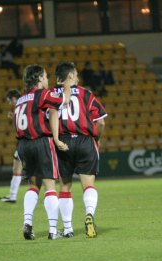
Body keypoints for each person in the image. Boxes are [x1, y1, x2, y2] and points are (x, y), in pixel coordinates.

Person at [15, 64, 70, 240]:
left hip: (23, 144)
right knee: (50, 186)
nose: (47, 80)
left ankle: (27, 222)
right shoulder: (42, 94)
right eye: (45, 76)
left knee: (33, 185)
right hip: (40, 142)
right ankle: (53, 230)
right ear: (39, 78)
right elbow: (64, 102)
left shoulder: (20, 99)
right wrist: (66, 85)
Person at [53, 61, 107, 238]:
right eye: (75, 74)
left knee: (65, 186)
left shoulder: (51, 95)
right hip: (85, 141)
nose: (77, 77)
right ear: (70, 76)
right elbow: (101, 122)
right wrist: (96, 139)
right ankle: (89, 214)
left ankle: (68, 229)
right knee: (88, 184)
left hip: (63, 142)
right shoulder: (85, 93)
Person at [0, 89, 23, 203]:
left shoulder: (19, 106)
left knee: (17, 167)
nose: (9, 103)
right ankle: (12, 196)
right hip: (26, 142)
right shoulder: (23, 104)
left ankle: (13, 196)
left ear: (14, 98)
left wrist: (14, 117)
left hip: (25, 142)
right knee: (17, 167)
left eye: (10, 101)